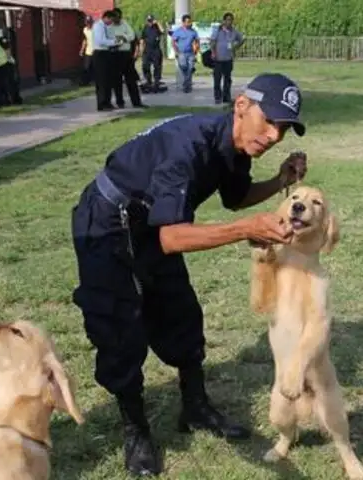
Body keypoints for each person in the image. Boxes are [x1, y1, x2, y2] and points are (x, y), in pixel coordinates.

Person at [70, 72, 307, 477]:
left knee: (180, 311)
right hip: (107, 224)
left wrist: (280, 181)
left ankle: (195, 409)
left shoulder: (234, 147)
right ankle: (136, 430)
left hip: (154, 224)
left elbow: (235, 199)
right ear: (241, 106)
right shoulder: (188, 146)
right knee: (118, 329)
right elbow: (173, 238)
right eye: (268, 121)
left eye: (282, 128)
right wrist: (248, 230)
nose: (273, 136)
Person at [109, 8, 145, 109]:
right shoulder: (109, 26)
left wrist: (123, 37)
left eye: (118, 17)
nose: (117, 19)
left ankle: (137, 102)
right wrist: (116, 39)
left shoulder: (125, 24)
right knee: (117, 81)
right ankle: (120, 102)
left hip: (126, 54)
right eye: (115, 17)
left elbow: (132, 36)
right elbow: (108, 38)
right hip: (115, 54)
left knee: (131, 80)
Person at [92, 10, 124, 111]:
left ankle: (107, 102)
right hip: (100, 53)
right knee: (101, 80)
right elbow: (100, 41)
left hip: (107, 53)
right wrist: (114, 42)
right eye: (111, 20)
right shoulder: (98, 26)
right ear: (107, 17)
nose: (112, 22)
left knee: (108, 79)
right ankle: (102, 103)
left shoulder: (106, 27)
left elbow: (109, 38)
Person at [210, 12, 244, 104]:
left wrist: (235, 47)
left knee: (227, 79)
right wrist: (213, 52)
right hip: (218, 59)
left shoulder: (234, 31)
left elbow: (241, 39)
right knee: (217, 79)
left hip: (228, 59)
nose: (229, 22)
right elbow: (212, 42)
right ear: (224, 20)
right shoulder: (218, 30)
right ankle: (217, 97)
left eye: (231, 20)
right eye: (228, 20)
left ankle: (226, 97)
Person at [171, 14, 199, 94]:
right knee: (184, 67)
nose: (189, 23)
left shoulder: (193, 31)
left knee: (189, 69)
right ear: (183, 23)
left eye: (190, 22)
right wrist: (176, 51)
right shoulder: (178, 31)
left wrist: (196, 50)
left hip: (190, 53)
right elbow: (173, 41)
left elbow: (197, 41)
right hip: (181, 53)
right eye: (187, 22)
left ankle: (186, 86)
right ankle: (187, 83)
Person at [140, 14, 164, 92]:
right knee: (145, 65)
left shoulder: (157, 27)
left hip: (156, 50)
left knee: (157, 66)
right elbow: (142, 39)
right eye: (148, 21)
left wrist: (158, 23)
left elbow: (162, 31)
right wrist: (141, 50)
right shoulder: (145, 28)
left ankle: (156, 81)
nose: (149, 22)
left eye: (151, 20)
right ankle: (148, 80)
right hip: (147, 50)